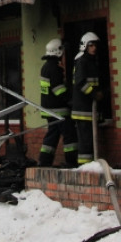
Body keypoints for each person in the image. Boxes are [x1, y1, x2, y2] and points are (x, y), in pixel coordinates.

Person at [38, 38, 78, 168]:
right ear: (57, 51)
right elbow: (58, 89)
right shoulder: (54, 68)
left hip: (49, 110)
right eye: (62, 50)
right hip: (59, 110)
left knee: (51, 137)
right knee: (69, 136)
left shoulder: (45, 67)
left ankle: (44, 162)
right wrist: (70, 99)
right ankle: (72, 162)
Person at [70, 32, 103, 166]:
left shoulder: (90, 61)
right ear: (85, 46)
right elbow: (80, 83)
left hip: (89, 109)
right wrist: (94, 94)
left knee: (89, 141)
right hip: (83, 110)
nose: (94, 48)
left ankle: (90, 166)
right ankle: (85, 168)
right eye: (91, 45)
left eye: (95, 45)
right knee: (85, 141)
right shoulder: (82, 61)